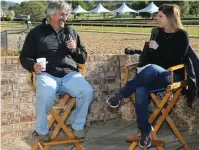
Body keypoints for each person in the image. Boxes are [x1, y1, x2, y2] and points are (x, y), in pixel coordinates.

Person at [107, 4, 189, 148]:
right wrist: (146, 53)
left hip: (172, 75)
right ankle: (145, 134)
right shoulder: (157, 32)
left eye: (160, 16)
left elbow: (178, 59)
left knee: (151, 69)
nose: (157, 18)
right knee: (140, 89)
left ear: (170, 17)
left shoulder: (181, 35)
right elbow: (150, 58)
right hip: (153, 76)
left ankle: (120, 94)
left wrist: (158, 49)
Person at [20, 1, 93, 141]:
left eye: (66, 15)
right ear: (51, 14)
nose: (64, 18)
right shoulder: (36, 33)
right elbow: (24, 57)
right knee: (45, 95)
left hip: (69, 74)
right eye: (62, 14)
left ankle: (78, 126)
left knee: (87, 91)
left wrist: (75, 49)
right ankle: (41, 130)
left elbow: (82, 59)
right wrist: (32, 65)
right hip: (47, 74)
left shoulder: (71, 32)